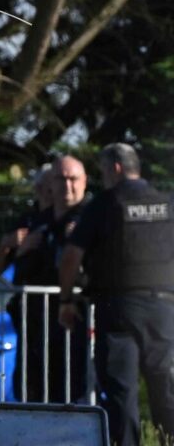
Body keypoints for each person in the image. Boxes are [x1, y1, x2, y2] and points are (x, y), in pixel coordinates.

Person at [59, 143, 174, 446]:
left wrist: (66, 300)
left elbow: (71, 255)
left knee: (122, 393)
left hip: (118, 309)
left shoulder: (105, 204)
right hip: (164, 310)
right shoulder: (166, 203)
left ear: (116, 169)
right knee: (166, 387)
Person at [0, 156, 91, 402]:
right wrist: (13, 246)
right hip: (33, 318)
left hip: (72, 315)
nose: (64, 187)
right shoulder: (36, 221)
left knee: (71, 384)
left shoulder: (88, 216)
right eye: (59, 181)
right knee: (30, 384)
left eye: (72, 179)